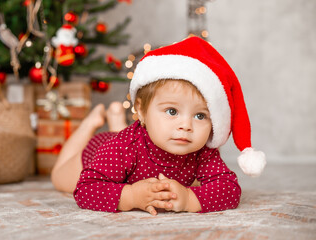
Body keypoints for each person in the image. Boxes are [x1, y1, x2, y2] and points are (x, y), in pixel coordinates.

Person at [51, 36, 266, 215]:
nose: (186, 125)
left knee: (124, 146)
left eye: (200, 116)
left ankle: (115, 118)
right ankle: (90, 123)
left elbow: (230, 190)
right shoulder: (123, 146)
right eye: (172, 112)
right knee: (59, 178)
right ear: (141, 111)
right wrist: (131, 196)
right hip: (100, 150)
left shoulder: (202, 152)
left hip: (127, 146)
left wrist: (190, 198)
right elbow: (85, 190)